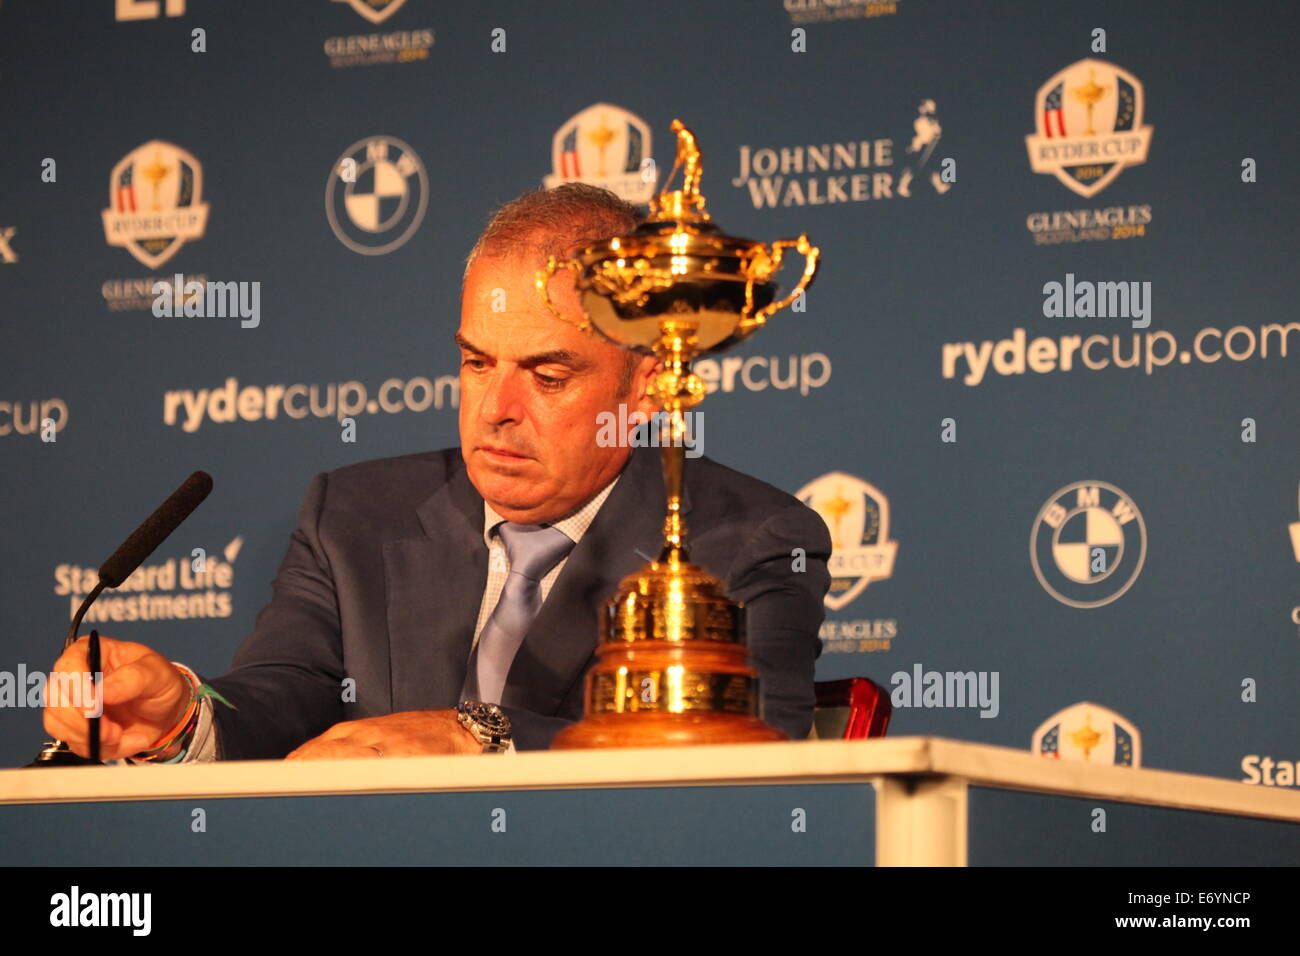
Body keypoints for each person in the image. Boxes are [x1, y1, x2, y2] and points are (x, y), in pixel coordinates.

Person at [42, 183, 832, 761]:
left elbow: (745, 753)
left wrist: (480, 736)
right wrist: (184, 712)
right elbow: (277, 697)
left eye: (548, 377)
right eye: (475, 362)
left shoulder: (749, 543)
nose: (497, 407)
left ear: (649, 386)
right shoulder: (353, 514)